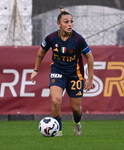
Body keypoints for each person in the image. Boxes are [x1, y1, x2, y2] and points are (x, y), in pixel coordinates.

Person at [30, 7, 94, 136]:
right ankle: (57, 130)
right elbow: (40, 53)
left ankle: (77, 124)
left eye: (71, 21)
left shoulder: (78, 39)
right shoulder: (51, 38)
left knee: (75, 108)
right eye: (66, 22)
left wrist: (90, 78)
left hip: (75, 75)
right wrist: (35, 69)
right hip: (57, 72)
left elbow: (90, 57)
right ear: (59, 24)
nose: (69, 24)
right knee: (55, 100)